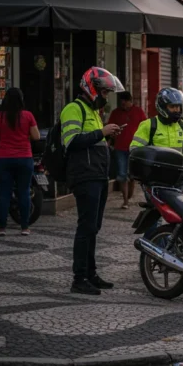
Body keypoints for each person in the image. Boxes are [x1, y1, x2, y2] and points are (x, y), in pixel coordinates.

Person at [61, 67, 125, 295]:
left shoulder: (93, 112)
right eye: (105, 92)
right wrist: (102, 132)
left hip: (98, 176)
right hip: (84, 176)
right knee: (86, 227)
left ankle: (91, 273)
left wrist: (107, 134)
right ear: (92, 88)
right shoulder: (73, 109)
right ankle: (79, 278)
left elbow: (93, 142)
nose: (106, 97)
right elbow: (71, 141)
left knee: (94, 227)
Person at [0, 88, 40, 236]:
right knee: (24, 192)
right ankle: (24, 227)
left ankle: (2, 228)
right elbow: (36, 136)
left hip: (4, 159)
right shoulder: (28, 116)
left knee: (4, 193)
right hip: (24, 158)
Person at [107, 92, 146, 209]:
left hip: (135, 148)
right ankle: (125, 201)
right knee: (122, 174)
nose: (123, 104)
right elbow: (110, 128)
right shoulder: (115, 113)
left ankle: (128, 196)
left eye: (125, 102)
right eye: (121, 102)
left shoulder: (138, 112)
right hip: (120, 148)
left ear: (130, 101)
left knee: (132, 175)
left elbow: (145, 127)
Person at [130, 88, 183, 154]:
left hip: (177, 164)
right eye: (172, 106)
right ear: (162, 107)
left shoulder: (181, 125)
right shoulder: (149, 125)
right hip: (156, 164)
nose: (176, 110)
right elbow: (135, 150)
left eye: (178, 107)